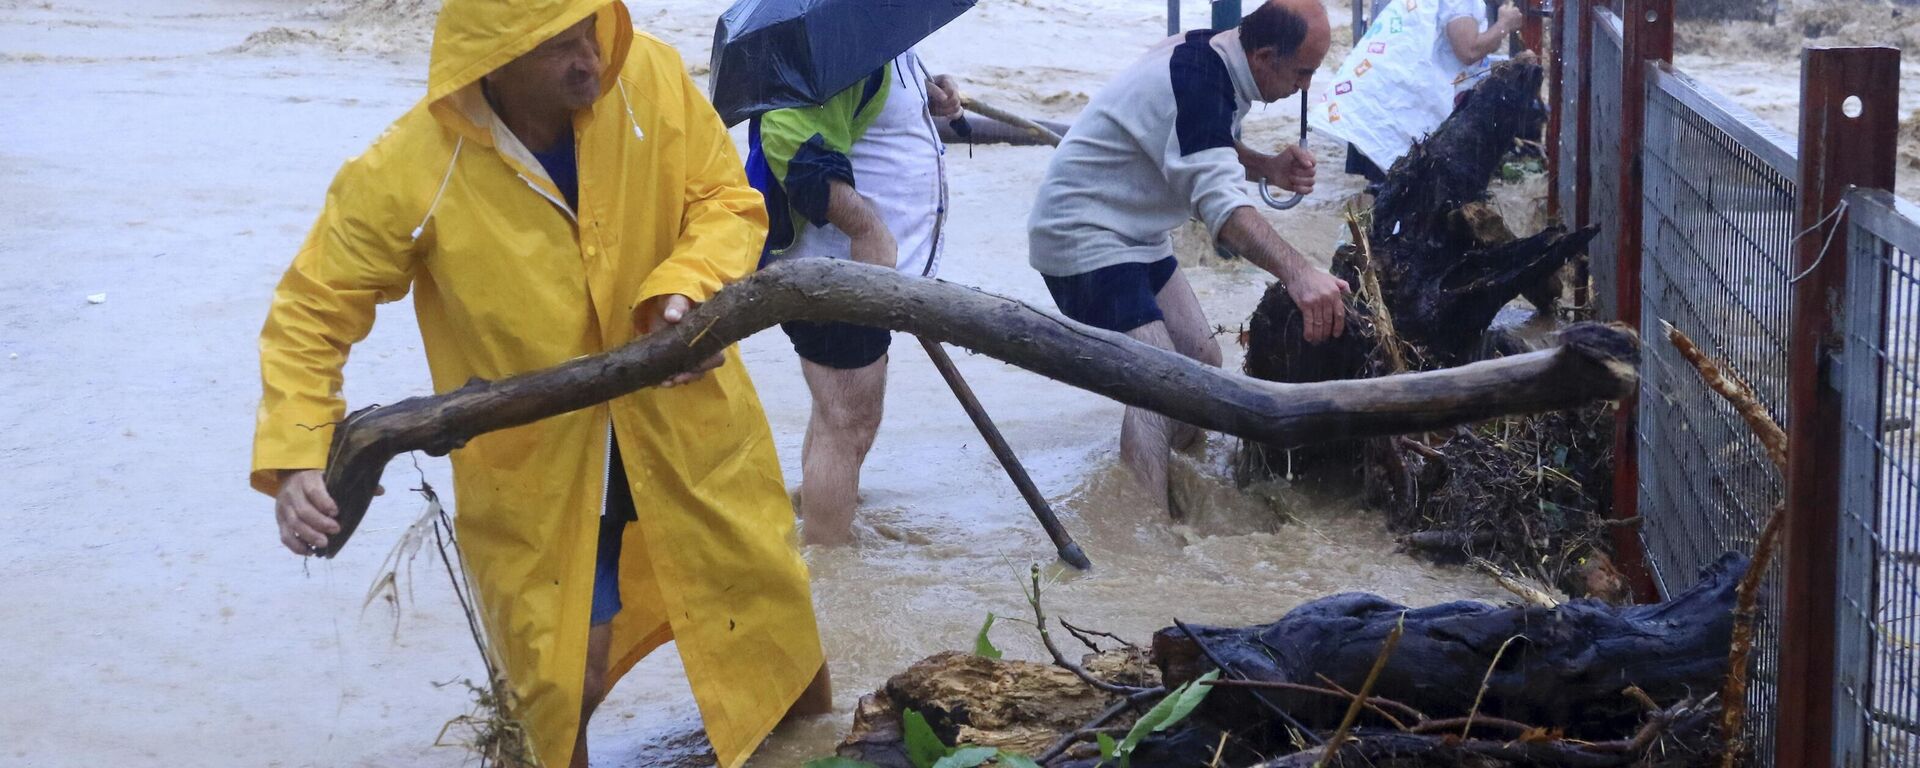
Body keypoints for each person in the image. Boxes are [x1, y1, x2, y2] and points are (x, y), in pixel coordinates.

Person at [251, 2, 829, 766]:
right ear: (492, 60)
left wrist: (687, 290)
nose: (591, 59)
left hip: (687, 422)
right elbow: (313, 308)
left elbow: (724, 199)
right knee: (556, 691)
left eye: (592, 29)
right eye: (560, 48)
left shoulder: (647, 76)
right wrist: (298, 451)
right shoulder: (414, 165)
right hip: (541, 467)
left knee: (775, 641)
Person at [1027, 0, 1349, 517]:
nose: (1306, 87)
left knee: (1201, 362)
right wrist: (1300, 272)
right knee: (1154, 383)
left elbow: (1200, 137)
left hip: (1138, 234)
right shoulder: (1200, 79)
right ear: (1265, 56)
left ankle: (1174, 489)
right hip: (1081, 238)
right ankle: (1146, 540)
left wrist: (1265, 166)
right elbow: (1226, 214)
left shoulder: (1216, 52)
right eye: (1303, 72)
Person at [744, 49, 961, 546]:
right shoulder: (838, 43)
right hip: (837, 273)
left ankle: (814, 527)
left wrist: (925, 97)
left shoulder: (875, 35)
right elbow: (790, 141)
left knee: (836, 415)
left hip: (862, 273)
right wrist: (864, 227)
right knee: (850, 421)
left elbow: (862, 110)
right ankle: (831, 567)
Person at [1346, 0, 1525, 182]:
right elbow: (1469, 50)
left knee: (1388, 192)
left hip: (1388, 101)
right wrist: (1504, 25)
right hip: (1406, 113)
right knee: (1407, 194)